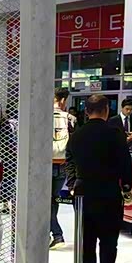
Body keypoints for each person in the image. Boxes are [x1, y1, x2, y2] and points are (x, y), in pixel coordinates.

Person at [65, 94, 132, 263]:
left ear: (86, 111)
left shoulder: (77, 135)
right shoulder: (114, 133)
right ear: (106, 110)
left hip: (83, 191)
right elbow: (125, 162)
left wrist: (72, 183)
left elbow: (69, 160)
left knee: (86, 236)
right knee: (109, 239)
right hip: (108, 191)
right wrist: (126, 186)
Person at [51, 88, 75, 249]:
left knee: (45, 202)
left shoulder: (41, 117)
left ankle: (56, 234)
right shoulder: (70, 119)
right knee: (53, 200)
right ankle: (55, 234)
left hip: (44, 164)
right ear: (63, 100)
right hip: (62, 164)